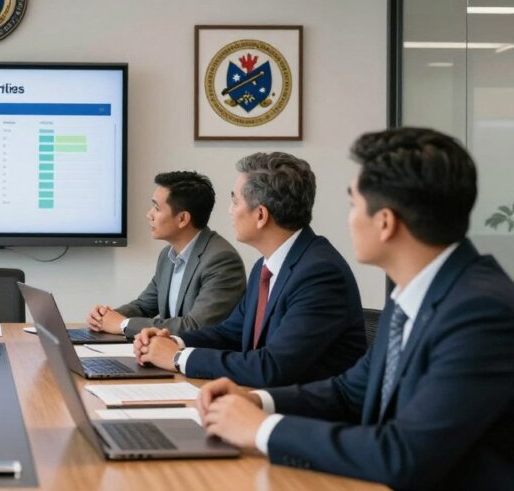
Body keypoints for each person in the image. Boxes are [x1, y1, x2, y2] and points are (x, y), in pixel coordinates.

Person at [197, 128, 514, 490]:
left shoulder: (480, 313)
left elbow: (403, 455)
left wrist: (261, 429)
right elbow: (350, 392)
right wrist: (256, 400)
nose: (348, 219)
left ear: (385, 222)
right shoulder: (415, 294)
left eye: (353, 205)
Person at [134, 152, 366, 387]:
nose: (229, 211)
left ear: (261, 215)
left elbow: (272, 366)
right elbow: (229, 334)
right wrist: (172, 340)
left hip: (303, 417)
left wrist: (176, 357)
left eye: (235, 202)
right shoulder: (264, 267)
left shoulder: (319, 274)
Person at [87, 171, 246, 337]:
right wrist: (104, 317)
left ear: (183, 219)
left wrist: (122, 324)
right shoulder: (168, 255)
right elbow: (143, 306)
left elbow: (196, 326)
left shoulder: (221, 260)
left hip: (197, 358)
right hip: (163, 355)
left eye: (156, 208)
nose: (149, 215)